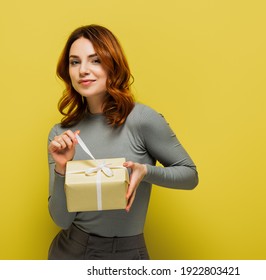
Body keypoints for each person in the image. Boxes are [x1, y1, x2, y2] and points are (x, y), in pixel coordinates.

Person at [47, 24, 198, 260]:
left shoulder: (142, 120)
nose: (83, 70)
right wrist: (61, 168)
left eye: (95, 60)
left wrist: (145, 171)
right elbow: (61, 220)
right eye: (75, 62)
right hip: (72, 252)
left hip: (128, 253)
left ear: (112, 65)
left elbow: (190, 176)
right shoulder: (62, 134)